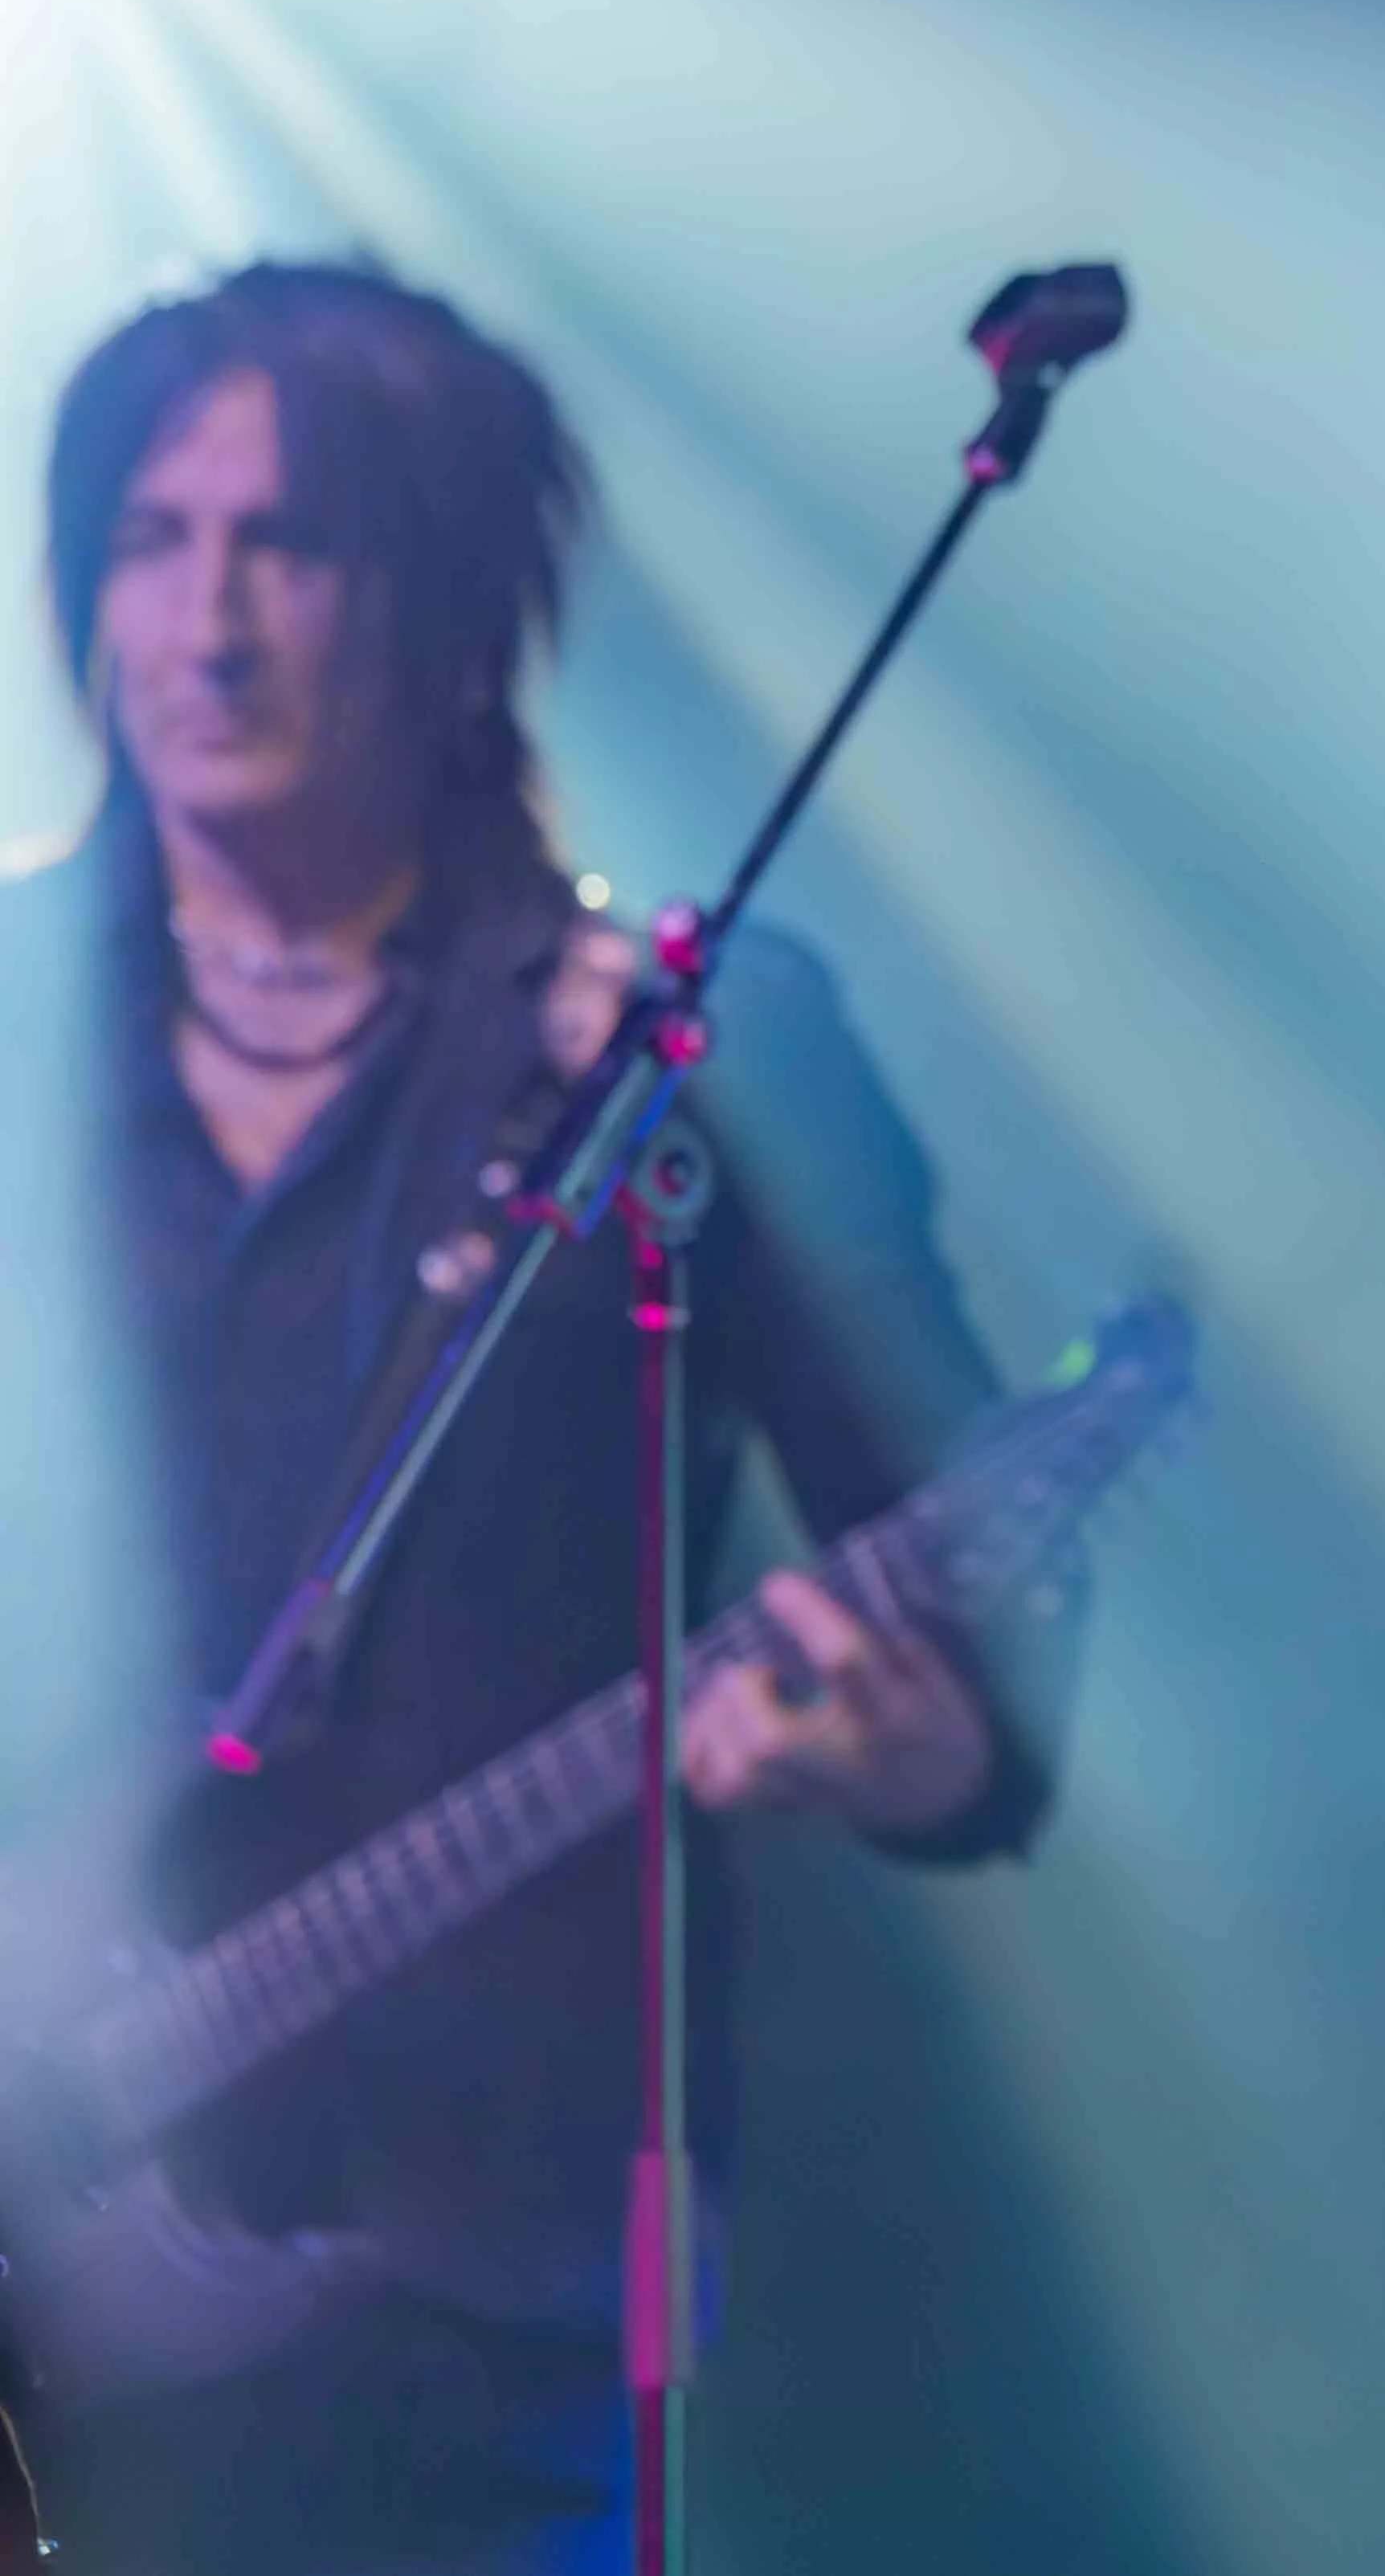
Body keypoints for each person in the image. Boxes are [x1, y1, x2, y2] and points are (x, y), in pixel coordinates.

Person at [0, 259, 1076, 2572]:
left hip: (478, 2274)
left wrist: (918, 1747)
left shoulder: (693, 1042)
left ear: (450, 597)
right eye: (149, 538)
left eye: (287, 545)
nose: (204, 621)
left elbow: (969, 1545)